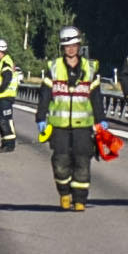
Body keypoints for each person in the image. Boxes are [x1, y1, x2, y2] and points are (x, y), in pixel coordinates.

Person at [42, 26, 99, 211]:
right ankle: (64, 192)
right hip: (59, 126)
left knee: (82, 161)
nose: (71, 49)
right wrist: (40, 117)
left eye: (74, 44)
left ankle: (80, 199)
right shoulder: (54, 67)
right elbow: (45, 95)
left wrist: (101, 119)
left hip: (83, 126)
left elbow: (96, 97)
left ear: (79, 45)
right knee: (60, 162)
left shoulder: (90, 69)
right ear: (62, 47)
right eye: (67, 45)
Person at [0, 38, 21, 151]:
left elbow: (7, 77)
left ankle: (9, 144)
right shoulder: (2, 62)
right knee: (0, 119)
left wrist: (0, 90)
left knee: (4, 120)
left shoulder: (6, 62)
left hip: (5, 96)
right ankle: (6, 142)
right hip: (1, 96)